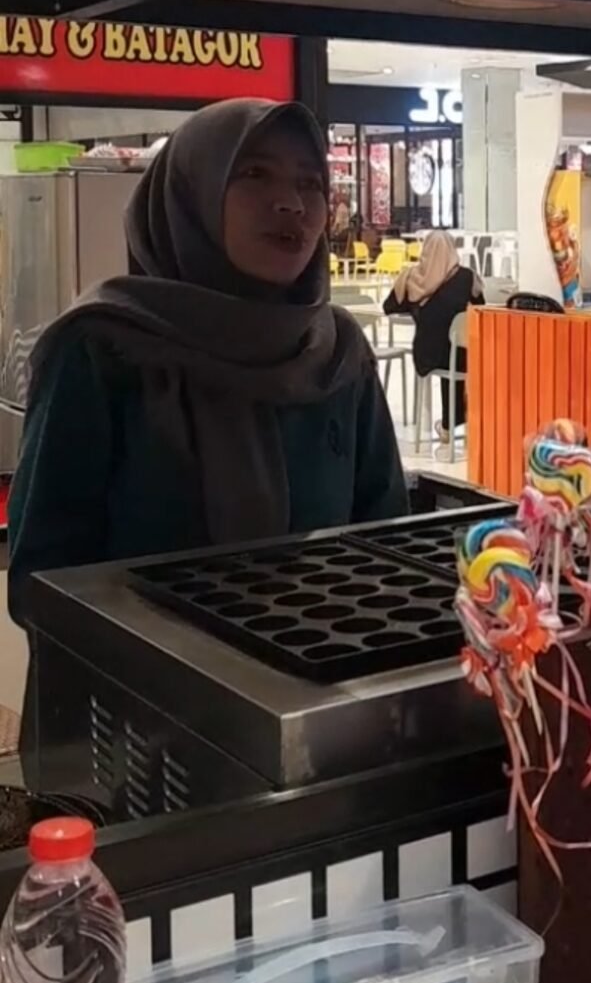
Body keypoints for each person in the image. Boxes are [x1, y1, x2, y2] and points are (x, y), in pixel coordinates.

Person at [8, 99, 407, 620]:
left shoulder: (336, 353)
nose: (291, 204)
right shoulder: (104, 348)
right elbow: (42, 580)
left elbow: (386, 545)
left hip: (320, 660)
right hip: (140, 670)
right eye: (255, 174)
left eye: (310, 183)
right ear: (190, 194)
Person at [383, 230, 482, 437]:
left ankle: (447, 424)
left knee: (440, 341)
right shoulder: (467, 277)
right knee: (455, 348)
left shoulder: (412, 278)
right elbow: (480, 306)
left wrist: (416, 307)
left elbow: (389, 307)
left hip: (427, 353)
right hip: (461, 355)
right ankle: (452, 422)